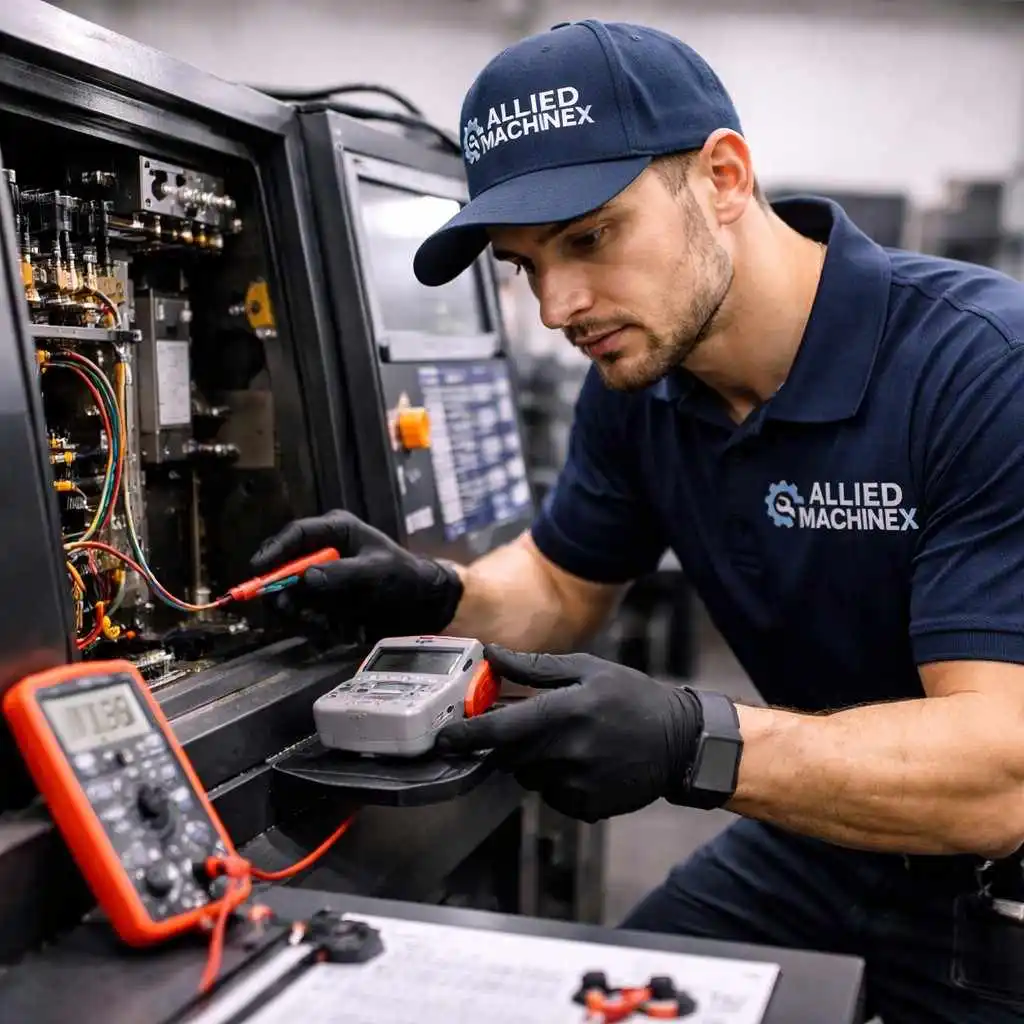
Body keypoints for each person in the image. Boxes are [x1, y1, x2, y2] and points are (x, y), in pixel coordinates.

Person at [250, 19, 1024, 1023]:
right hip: (818, 839)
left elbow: (999, 767)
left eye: (589, 237)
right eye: (525, 265)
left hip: (992, 875)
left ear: (723, 178)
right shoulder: (639, 377)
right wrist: (441, 592)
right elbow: (564, 585)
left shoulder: (979, 368)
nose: (557, 306)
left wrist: (687, 739)